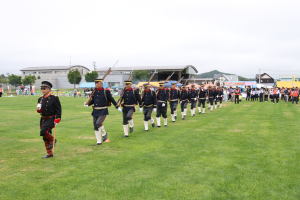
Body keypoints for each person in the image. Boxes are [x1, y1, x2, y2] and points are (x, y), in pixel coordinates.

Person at [84, 78, 120, 145]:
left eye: (97, 83)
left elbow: (111, 99)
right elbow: (93, 100)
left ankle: (104, 133)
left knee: (98, 123)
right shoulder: (94, 91)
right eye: (95, 83)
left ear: (101, 84)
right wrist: (87, 104)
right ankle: (99, 141)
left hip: (103, 110)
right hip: (95, 110)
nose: (96, 84)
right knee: (95, 126)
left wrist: (117, 106)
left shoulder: (105, 91)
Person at [36, 81, 61, 159]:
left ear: (49, 89)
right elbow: (39, 110)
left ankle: (53, 140)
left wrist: (58, 118)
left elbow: (58, 109)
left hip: (51, 118)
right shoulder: (40, 99)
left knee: (43, 131)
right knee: (44, 136)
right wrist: (38, 110)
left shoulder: (54, 98)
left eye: (44, 88)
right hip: (43, 118)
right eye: (42, 89)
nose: (43, 90)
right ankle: (49, 153)